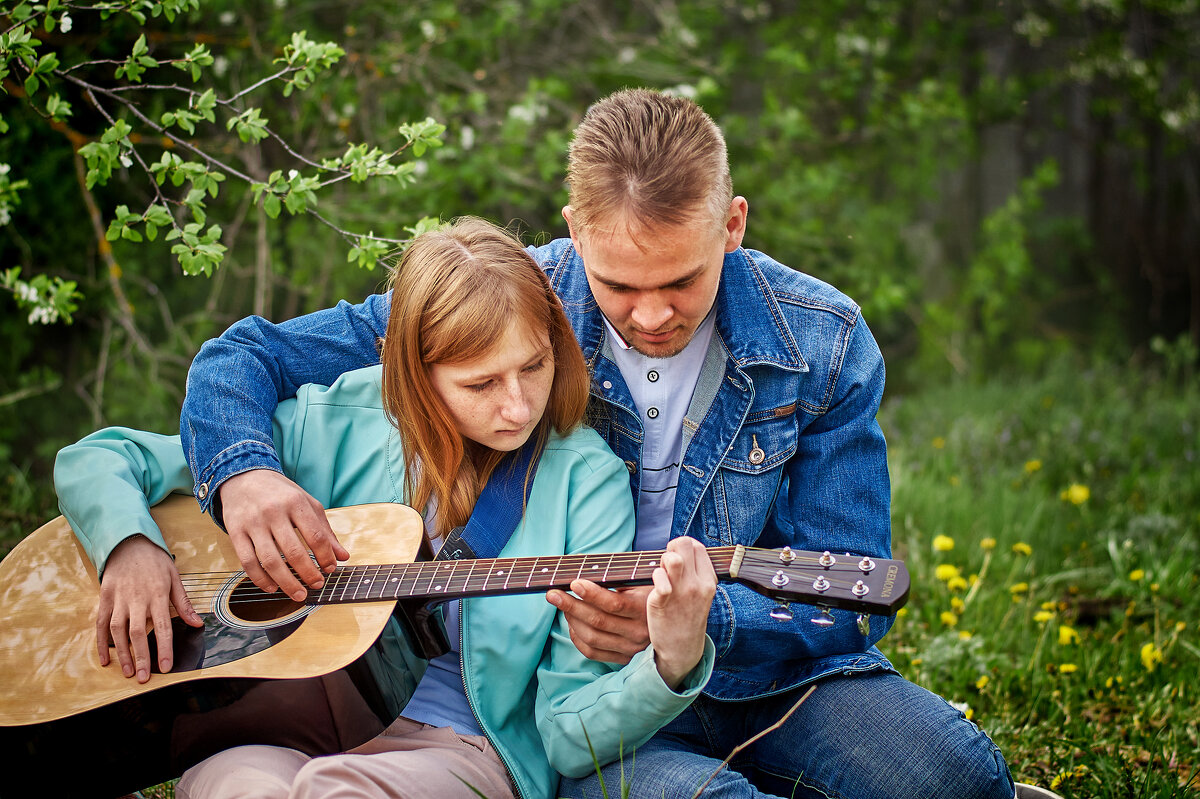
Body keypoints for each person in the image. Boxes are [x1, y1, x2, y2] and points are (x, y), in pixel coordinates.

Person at [174, 90, 1015, 798]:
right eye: (620, 285)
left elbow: (845, 594)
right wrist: (243, 475)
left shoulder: (822, 340)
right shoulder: (505, 301)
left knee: (958, 778)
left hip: (771, 674)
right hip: (583, 693)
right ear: (575, 231)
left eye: (681, 280)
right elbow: (245, 356)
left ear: (732, 224)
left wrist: (695, 620)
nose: (651, 315)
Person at [54, 217, 718, 799]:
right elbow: (101, 459)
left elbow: (568, 736)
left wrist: (670, 661)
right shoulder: (336, 418)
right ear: (411, 371)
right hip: (278, 722)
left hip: (459, 748)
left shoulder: (586, 482)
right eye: (481, 382)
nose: (517, 406)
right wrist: (129, 546)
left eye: (535, 367)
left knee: (331, 791)